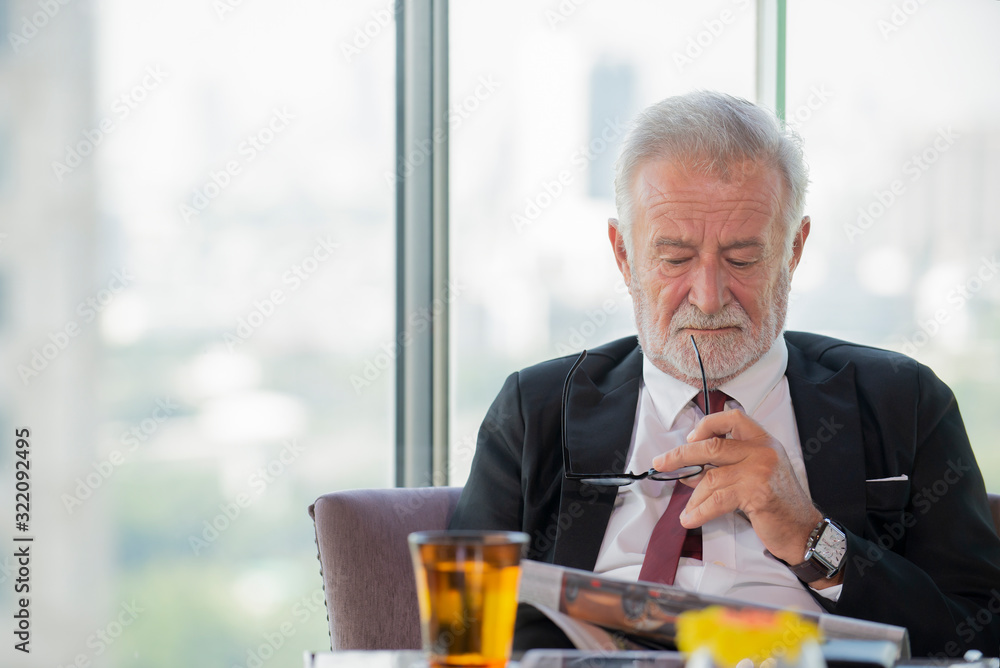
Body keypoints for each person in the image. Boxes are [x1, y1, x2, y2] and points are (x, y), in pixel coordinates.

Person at [449, 91, 1000, 657]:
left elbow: (979, 629)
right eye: (675, 258)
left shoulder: (904, 402)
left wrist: (813, 538)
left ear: (795, 249)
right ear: (623, 255)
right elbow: (460, 623)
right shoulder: (536, 408)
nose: (709, 299)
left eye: (742, 259)